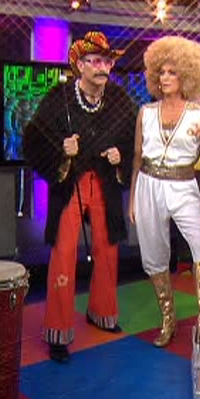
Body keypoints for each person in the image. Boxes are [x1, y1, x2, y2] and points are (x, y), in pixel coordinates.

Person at [23, 31, 137, 363]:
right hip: (70, 182)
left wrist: (121, 156)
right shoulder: (58, 98)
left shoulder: (119, 100)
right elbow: (32, 139)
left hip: (105, 181)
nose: (103, 67)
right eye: (96, 61)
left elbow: (135, 139)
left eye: (107, 62)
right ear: (80, 65)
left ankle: (102, 313)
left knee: (108, 247)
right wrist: (62, 149)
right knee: (63, 252)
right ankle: (58, 331)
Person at [129, 36, 200, 355]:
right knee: (154, 256)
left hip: (184, 185)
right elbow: (137, 157)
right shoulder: (146, 112)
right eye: (161, 72)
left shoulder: (199, 113)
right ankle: (168, 319)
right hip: (148, 184)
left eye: (172, 72)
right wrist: (133, 198)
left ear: (187, 76)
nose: (165, 78)